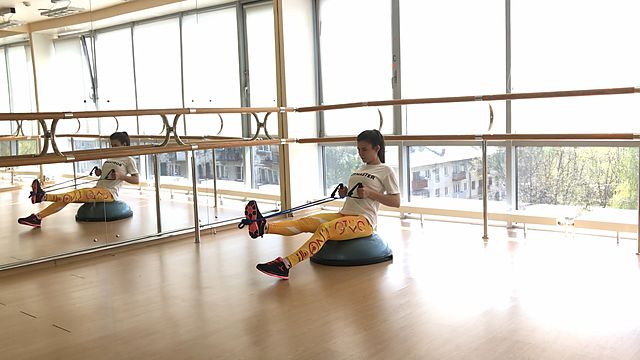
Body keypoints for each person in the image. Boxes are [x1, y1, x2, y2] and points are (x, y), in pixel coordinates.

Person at [245, 129, 401, 280]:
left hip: (364, 221)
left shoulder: (386, 170)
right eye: (359, 149)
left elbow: (396, 202)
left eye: (364, 149)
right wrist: (345, 193)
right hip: (344, 213)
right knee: (306, 221)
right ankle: (263, 227)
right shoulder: (362, 167)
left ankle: (285, 265)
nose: (360, 154)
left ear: (377, 148)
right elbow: (357, 194)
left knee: (324, 229)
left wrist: (370, 193)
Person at [18, 131, 140, 228]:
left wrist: (121, 177)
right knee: (69, 197)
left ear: (124, 145)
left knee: (76, 194)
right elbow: (107, 174)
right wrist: (100, 173)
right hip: (98, 189)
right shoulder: (111, 156)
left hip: (109, 193)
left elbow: (136, 180)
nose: (112, 148)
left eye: (115, 145)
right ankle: (37, 218)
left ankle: (43, 196)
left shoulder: (129, 160)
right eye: (111, 145)